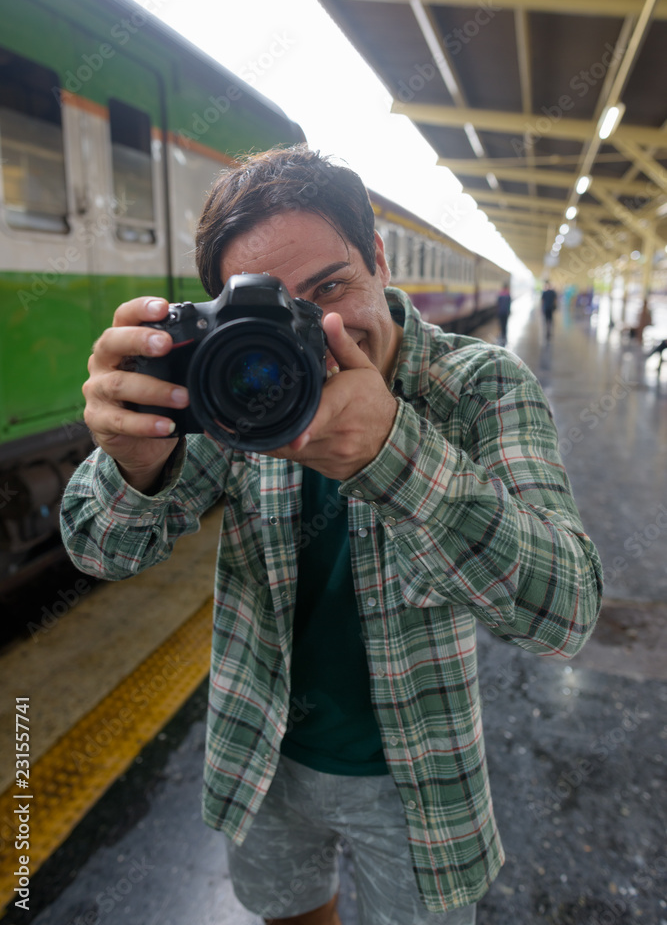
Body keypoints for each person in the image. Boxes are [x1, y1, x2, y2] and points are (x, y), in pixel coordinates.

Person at [60, 147, 603, 925]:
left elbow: (567, 613)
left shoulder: (480, 386)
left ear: (378, 259)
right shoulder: (236, 382)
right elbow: (100, 552)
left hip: (418, 779)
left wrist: (395, 455)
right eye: (272, 307)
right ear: (226, 309)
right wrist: (134, 463)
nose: (315, 331)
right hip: (262, 757)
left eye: (330, 287)